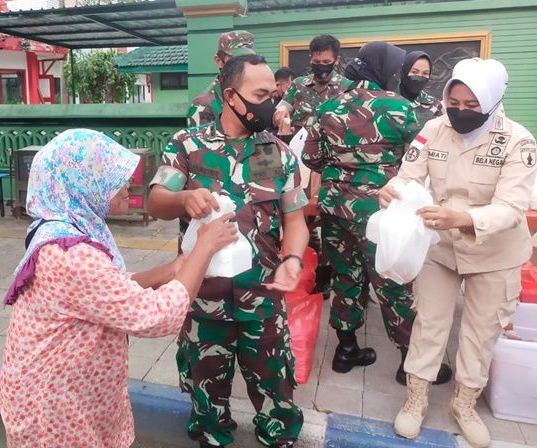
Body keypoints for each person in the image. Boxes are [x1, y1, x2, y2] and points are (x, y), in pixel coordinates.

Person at [0, 129, 238, 448]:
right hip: (53, 411)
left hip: (69, 394)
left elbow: (110, 290)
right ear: (83, 184)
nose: (127, 184)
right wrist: (205, 247)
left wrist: (176, 268)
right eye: (110, 177)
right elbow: (155, 317)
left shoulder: (65, 228)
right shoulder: (72, 255)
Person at [148, 54, 308, 448]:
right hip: (203, 299)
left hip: (263, 299)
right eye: (260, 94)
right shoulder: (188, 145)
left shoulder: (277, 153)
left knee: (277, 392)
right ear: (231, 95)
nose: (270, 103)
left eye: (273, 94)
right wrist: (185, 198)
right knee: (206, 396)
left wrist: (293, 259)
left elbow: (295, 220)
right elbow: (156, 201)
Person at [385, 58, 536, 448]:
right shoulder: (433, 129)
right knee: (429, 323)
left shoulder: (518, 140)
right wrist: (393, 190)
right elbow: (409, 175)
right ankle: (416, 399)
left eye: (472, 106)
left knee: (480, 331)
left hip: (495, 251)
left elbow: (512, 207)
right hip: (441, 246)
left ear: (491, 101)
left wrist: (461, 217)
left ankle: (464, 404)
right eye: (454, 102)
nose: (460, 112)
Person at [302, 41, 452, 385]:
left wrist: (343, 169)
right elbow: (422, 159)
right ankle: (409, 363)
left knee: (345, 276)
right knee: (393, 280)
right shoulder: (400, 108)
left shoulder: (327, 106)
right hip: (381, 209)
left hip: (335, 206)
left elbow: (311, 158)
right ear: (385, 70)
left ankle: (346, 351)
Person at [273, 34, 350, 298]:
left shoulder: (347, 87)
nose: (321, 66)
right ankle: (303, 266)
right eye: (317, 61)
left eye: (326, 61)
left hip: (333, 163)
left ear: (336, 60)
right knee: (301, 216)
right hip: (302, 161)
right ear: (310, 58)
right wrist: (281, 114)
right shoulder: (297, 86)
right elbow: (282, 107)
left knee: (328, 218)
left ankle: (327, 275)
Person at [187, 30, 256, 128]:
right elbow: (200, 143)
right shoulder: (203, 106)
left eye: (249, 60)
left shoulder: (254, 96)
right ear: (219, 61)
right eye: (236, 61)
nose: (244, 66)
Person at [398, 51, 443, 128]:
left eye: (425, 73)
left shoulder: (434, 105)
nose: (419, 77)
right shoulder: (387, 100)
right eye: (414, 72)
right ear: (404, 71)